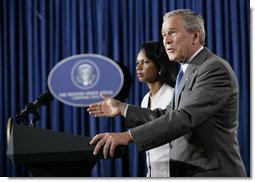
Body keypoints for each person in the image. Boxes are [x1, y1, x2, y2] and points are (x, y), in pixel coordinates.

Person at [87, 9, 247, 177]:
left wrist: (128, 136)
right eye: (164, 35)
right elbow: (167, 114)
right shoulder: (185, 72)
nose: (166, 41)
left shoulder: (213, 68)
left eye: (173, 33)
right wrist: (123, 108)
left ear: (195, 35)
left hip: (213, 174)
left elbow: (185, 118)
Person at [136, 41, 175, 177]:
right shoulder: (145, 99)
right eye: (137, 63)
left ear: (160, 66)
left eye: (145, 62)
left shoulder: (172, 95)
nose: (139, 67)